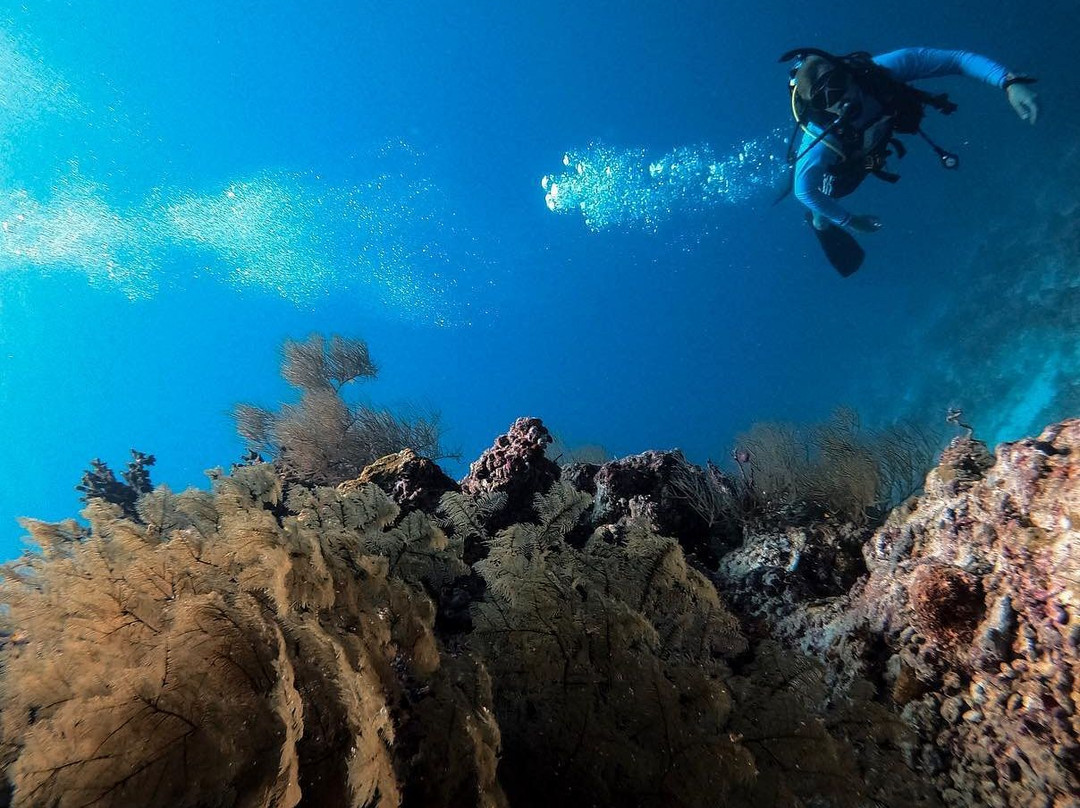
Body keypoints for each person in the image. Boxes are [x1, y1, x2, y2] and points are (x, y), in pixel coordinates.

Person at [780, 47, 1039, 274]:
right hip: (846, 163)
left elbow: (956, 60)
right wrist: (849, 221)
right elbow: (804, 190)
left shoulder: (881, 71)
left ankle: (826, 215)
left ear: (848, 73)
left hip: (878, 137)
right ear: (815, 107)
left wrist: (1007, 82)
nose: (838, 101)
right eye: (823, 99)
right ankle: (818, 222)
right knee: (828, 195)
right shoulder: (819, 136)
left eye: (836, 84)